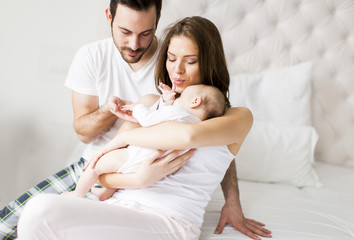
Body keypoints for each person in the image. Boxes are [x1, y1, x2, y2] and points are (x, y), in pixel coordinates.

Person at [0, 1, 271, 240]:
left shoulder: (237, 117)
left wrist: (126, 136)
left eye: (190, 61)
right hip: (119, 205)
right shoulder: (151, 103)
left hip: (170, 220)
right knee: (38, 212)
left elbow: (189, 137)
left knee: (40, 211)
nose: (177, 70)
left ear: (209, 62)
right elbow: (107, 174)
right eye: (171, 58)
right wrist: (140, 179)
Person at [65, 83, 227, 200]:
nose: (178, 98)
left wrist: (137, 107)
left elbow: (149, 119)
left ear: (195, 102)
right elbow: (163, 119)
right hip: (151, 165)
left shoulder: (178, 113)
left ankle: (78, 193)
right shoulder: (195, 125)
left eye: (182, 96)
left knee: (96, 165)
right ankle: (106, 192)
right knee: (110, 171)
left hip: (134, 156)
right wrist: (166, 101)